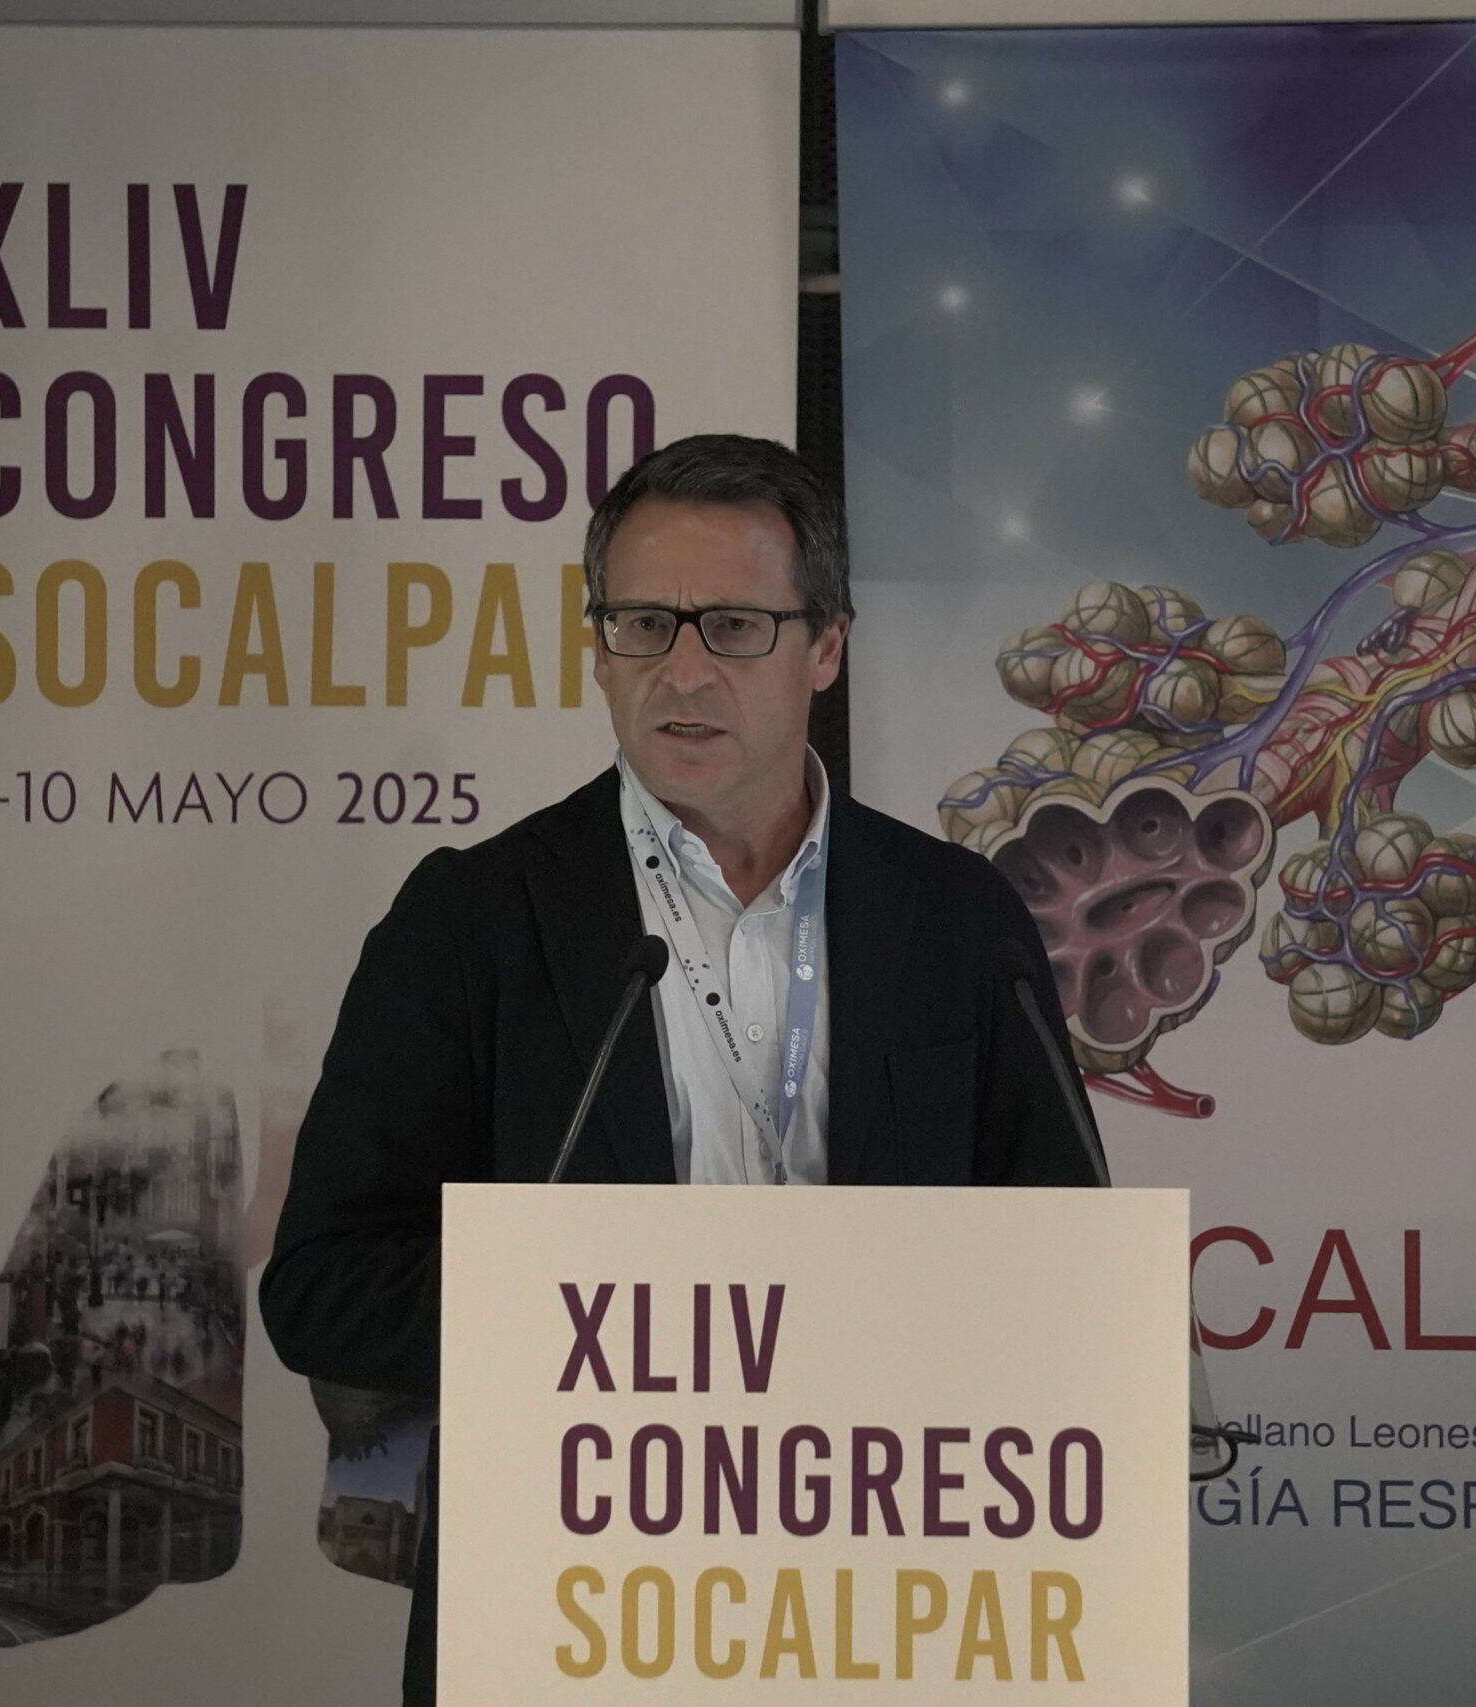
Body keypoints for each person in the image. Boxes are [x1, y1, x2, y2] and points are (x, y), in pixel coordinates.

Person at [259, 433, 1102, 1704]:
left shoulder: (955, 917)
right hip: (572, 1609)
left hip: (892, 1599)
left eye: (736, 627)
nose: (683, 670)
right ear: (597, 650)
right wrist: (630, 1315)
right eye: (644, 624)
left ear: (827, 647)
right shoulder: (474, 920)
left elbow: (1062, 1256)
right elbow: (321, 1288)